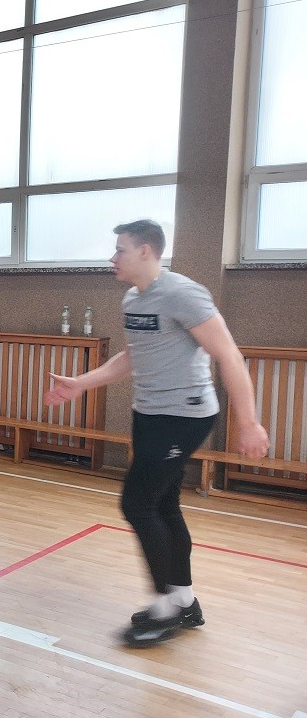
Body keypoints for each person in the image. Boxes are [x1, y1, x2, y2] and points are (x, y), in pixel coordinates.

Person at [44, 219, 269, 648]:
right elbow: (131, 357)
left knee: (137, 503)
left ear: (146, 251)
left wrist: (249, 422)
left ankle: (164, 610)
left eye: (121, 249)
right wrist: (80, 383)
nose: (113, 258)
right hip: (149, 414)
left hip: (184, 416)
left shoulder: (183, 294)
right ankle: (183, 601)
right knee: (163, 504)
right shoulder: (134, 299)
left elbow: (229, 355)